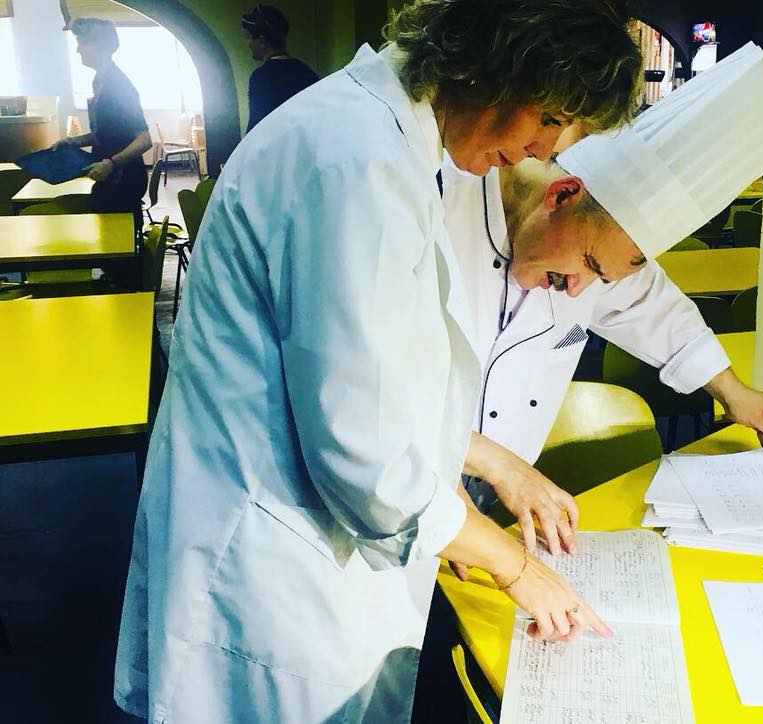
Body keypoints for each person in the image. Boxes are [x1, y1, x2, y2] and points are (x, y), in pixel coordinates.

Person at [113, 1, 643, 722]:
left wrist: (492, 462)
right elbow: (368, 456)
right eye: (548, 118)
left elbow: (377, 374)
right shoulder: (356, 161)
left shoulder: (383, 137)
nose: (539, 150)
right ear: (492, 63)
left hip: (293, 538)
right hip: (270, 560)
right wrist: (515, 565)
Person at [439, 41, 763, 557]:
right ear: (563, 195)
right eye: (588, 263)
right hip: (407, 484)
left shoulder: (594, 253)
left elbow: (659, 311)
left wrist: (734, 393)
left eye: (603, 278)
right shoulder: (440, 201)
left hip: (497, 505)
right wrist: (450, 491)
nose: (579, 289)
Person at [52, 18, 152, 232]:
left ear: (99, 46)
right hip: (108, 177)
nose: (78, 49)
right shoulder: (99, 81)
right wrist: (72, 142)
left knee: (120, 245)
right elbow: (104, 133)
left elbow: (144, 140)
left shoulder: (119, 85)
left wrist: (110, 164)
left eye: (82, 43)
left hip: (123, 180)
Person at [241, 4, 319, 132]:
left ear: (262, 42)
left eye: (248, 37)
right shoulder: (307, 72)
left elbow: (256, 130)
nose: (247, 43)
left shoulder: (261, 77)